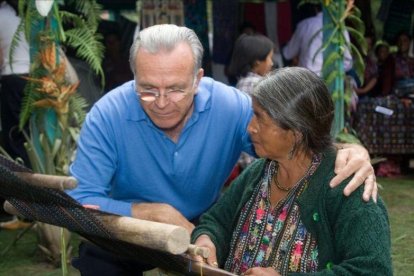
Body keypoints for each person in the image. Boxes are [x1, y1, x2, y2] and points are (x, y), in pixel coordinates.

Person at [68, 24, 377, 275]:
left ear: (198, 79)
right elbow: (81, 199)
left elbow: (292, 138)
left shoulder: (231, 107)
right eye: (147, 90)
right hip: (130, 227)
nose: (161, 103)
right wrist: (145, 212)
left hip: (199, 220)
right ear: (134, 78)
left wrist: (349, 150)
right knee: (98, 262)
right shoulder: (108, 114)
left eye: (176, 89)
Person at [192, 67, 392, 275]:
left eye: (260, 118)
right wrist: (207, 240)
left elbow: (372, 270)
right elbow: (216, 221)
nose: (250, 127)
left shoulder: (348, 189)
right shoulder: (259, 172)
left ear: (297, 131)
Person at [0, 0, 32, 228]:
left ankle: (22, 212)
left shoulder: (2, 15)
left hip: (11, 79)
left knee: (13, 143)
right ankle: (28, 211)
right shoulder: (23, 14)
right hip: (30, 79)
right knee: (27, 142)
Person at [282, 4, 352, 76]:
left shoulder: (305, 25)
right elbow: (348, 62)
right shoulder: (340, 29)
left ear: (315, 8)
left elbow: (288, 53)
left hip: (306, 79)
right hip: (330, 82)